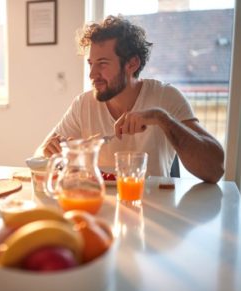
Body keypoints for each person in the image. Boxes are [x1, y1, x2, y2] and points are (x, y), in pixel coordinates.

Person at [37, 15, 224, 183]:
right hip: (100, 204)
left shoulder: (166, 97)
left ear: (132, 63)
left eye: (102, 64)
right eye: (91, 64)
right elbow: (40, 157)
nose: (92, 74)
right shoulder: (83, 104)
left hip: (156, 209)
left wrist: (162, 119)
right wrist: (50, 151)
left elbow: (215, 170)